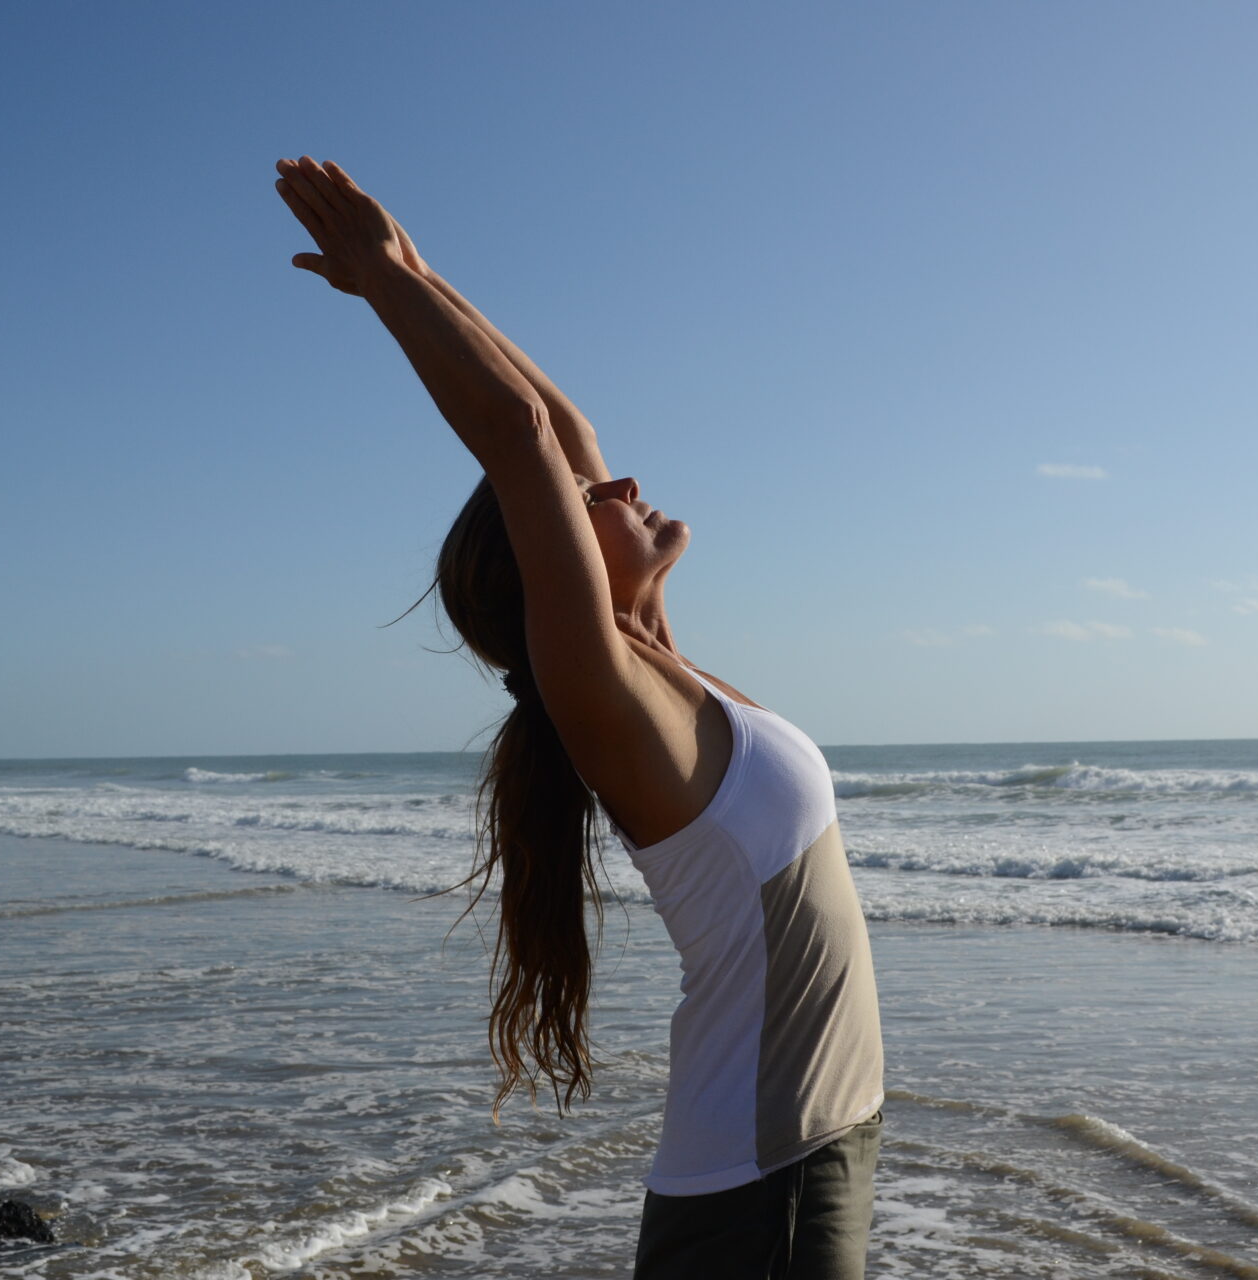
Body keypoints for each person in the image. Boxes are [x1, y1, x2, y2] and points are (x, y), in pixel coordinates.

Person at [275, 156, 885, 1279]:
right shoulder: (600, 693)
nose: (615, 483)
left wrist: (419, 267)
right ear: (550, 569)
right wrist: (384, 287)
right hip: (770, 1184)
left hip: (787, 1156)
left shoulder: (661, 670)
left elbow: (560, 421)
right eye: (583, 501)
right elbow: (518, 436)